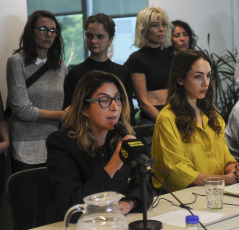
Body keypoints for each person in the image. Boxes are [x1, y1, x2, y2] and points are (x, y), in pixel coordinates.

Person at [46, 70, 153, 222]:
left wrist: (130, 203)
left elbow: (145, 184)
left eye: (117, 99)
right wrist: (113, 165)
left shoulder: (121, 137)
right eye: (104, 100)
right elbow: (68, 207)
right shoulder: (61, 143)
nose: (115, 107)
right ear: (84, 108)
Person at [152, 50, 239, 192]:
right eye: (198, 77)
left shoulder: (213, 115)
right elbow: (177, 173)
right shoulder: (167, 119)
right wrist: (224, 179)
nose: (206, 83)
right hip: (184, 195)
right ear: (180, 79)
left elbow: (226, 160)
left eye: (208, 76)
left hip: (216, 191)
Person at [6, 10, 67, 172]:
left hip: (55, 141)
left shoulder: (61, 66)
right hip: (26, 144)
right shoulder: (16, 62)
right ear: (30, 31)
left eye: (53, 31)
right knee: (28, 195)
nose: (48, 34)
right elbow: (22, 110)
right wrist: (60, 115)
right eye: (42, 29)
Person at [63, 13, 135, 124]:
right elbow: (68, 112)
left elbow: (128, 112)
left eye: (100, 36)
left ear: (110, 39)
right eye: (89, 36)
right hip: (84, 135)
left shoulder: (123, 72)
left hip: (117, 133)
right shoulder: (75, 73)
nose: (93, 41)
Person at [125, 7, 174, 125]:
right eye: (155, 25)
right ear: (144, 29)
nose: (161, 29)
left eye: (164, 24)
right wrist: (165, 122)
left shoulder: (170, 56)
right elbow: (143, 102)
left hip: (173, 115)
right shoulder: (136, 59)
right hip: (151, 120)